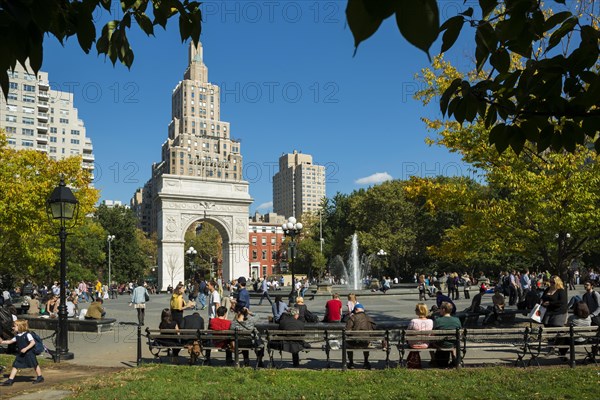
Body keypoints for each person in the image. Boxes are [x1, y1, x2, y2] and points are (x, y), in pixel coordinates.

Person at [0, 320, 44, 386]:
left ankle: (40, 377)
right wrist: (2, 342)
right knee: (15, 365)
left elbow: (33, 342)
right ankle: (10, 380)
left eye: (14, 326)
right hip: (21, 354)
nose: (13, 328)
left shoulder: (27, 334)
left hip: (29, 353)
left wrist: (26, 348)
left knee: (35, 365)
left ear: (20, 327)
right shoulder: (17, 336)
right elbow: (10, 341)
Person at [430, 302, 462, 368]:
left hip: (441, 344)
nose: (439, 310)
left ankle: (433, 360)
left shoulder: (438, 320)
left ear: (444, 310)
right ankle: (455, 359)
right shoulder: (457, 320)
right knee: (453, 343)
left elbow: (433, 333)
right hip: (454, 343)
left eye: (440, 309)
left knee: (429, 341)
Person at [345, 303, 376, 369]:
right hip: (365, 342)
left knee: (347, 342)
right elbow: (373, 331)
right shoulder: (369, 318)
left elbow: (347, 331)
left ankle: (351, 363)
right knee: (367, 340)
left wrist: (353, 334)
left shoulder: (352, 318)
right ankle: (366, 361)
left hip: (353, 342)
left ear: (356, 310)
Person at [406, 303, 434, 369]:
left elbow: (407, 332)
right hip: (425, 344)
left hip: (413, 344)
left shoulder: (413, 321)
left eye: (416, 309)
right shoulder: (430, 321)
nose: (415, 310)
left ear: (419, 311)